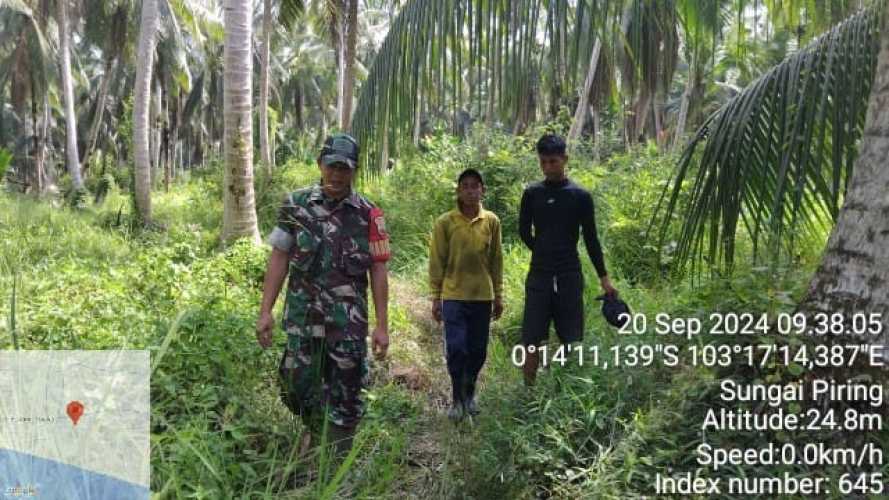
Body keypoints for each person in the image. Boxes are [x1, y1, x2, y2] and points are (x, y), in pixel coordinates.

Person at [255, 133, 390, 457]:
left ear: (354, 171)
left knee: (346, 393)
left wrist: (382, 326)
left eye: (344, 168)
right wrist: (265, 310)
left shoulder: (370, 215)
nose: (337, 175)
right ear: (320, 164)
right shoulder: (295, 205)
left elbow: (379, 270)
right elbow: (279, 258)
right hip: (303, 318)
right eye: (332, 166)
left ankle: (334, 463)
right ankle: (316, 432)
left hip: (347, 325)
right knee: (294, 386)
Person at [519, 133, 617, 386]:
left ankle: (564, 389)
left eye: (553, 161)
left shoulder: (580, 196)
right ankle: (529, 392)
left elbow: (592, 239)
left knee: (570, 336)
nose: (548, 167)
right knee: (531, 337)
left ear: (565, 159)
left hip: (569, 274)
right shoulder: (532, 194)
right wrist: (541, 250)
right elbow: (523, 231)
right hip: (539, 274)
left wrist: (604, 278)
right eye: (543, 162)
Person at [429, 168, 504, 421]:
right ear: (459, 191)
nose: (471, 191)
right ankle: (456, 399)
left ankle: (470, 394)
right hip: (453, 297)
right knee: (457, 349)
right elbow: (437, 261)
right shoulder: (445, 223)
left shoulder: (491, 221)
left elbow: (496, 261)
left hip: (482, 297)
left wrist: (499, 295)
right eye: (466, 186)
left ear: (482, 190)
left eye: (476, 186)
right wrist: (435, 298)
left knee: (478, 351)